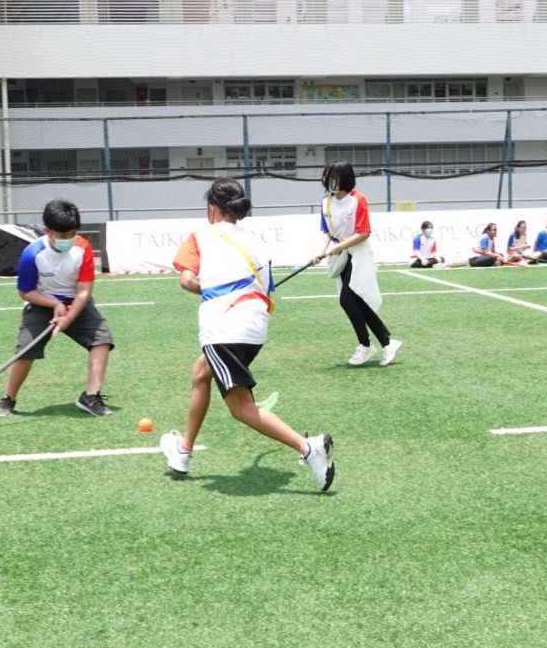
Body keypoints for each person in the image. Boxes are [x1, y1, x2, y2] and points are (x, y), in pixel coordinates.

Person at [159, 177, 335, 491]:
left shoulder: (200, 236)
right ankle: (183, 451)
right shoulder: (256, 242)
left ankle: (309, 448)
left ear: (212, 208)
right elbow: (265, 287)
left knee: (241, 409)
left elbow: (186, 281)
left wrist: (209, 285)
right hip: (254, 329)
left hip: (223, 327)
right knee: (201, 372)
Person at [0, 199, 114, 418]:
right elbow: (25, 291)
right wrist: (55, 304)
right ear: (47, 230)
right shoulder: (32, 254)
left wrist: (68, 316)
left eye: (72, 234)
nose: (68, 239)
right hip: (41, 303)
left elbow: (84, 290)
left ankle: (91, 395)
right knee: (25, 350)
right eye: (62, 235)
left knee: (102, 340)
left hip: (77, 302)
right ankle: (8, 399)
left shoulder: (83, 248)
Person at [311, 159, 402, 367]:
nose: (329, 181)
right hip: (340, 255)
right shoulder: (326, 202)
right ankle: (386, 343)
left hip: (358, 253)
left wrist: (338, 247)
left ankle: (367, 345)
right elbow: (326, 231)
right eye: (327, 177)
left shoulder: (358, 200)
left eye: (333, 177)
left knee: (347, 299)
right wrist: (321, 252)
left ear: (345, 178)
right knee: (356, 300)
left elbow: (364, 232)